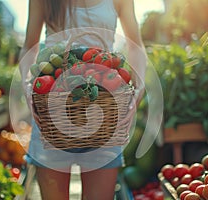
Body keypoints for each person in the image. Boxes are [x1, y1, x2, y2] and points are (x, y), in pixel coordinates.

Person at [18, 0, 147, 199]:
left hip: (104, 109)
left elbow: (136, 45)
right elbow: (29, 45)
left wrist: (138, 89)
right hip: (53, 109)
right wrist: (28, 87)